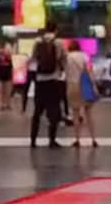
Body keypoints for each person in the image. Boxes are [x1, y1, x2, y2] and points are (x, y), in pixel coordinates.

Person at [30, 20, 66, 149]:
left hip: (40, 80)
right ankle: (52, 140)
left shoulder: (37, 42)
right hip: (53, 80)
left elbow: (33, 59)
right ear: (56, 29)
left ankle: (33, 140)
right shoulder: (59, 43)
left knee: (37, 112)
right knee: (54, 111)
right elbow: (62, 59)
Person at [66, 39, 98, 147]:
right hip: (85, 86)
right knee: (89, 114)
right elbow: (89, 71)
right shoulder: (85, 56)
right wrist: (93, 85)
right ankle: (93, 139)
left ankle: (77, 139)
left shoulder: (68, 57)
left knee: (75, 114)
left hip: (72, 85)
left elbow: (65, 72)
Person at [0, 44, 14, 111]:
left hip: (8, 77)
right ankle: (2, 104)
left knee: (8, 91)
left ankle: (8, 104)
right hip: (0, 76)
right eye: (6, 50)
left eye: (9, 50)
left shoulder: (11, 59)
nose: (7, 52)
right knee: (1, 91)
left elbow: (13, 66)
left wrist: (9, 59)